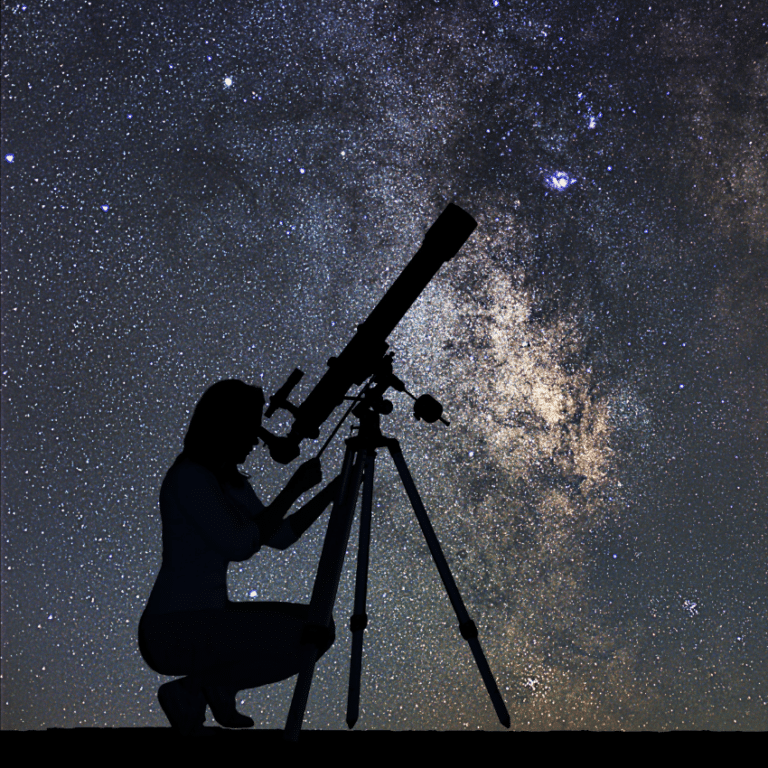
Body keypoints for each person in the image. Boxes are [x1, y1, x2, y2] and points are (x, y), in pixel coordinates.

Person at [138, 379, 340, 733]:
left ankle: (213, 686)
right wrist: (293, 488)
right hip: (172, 630)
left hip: (206, 618)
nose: (255, 440)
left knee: (319, 628)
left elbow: (279, 536)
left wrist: (330, 493)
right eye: (249, 428)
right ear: (226, 426)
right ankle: (196, 688)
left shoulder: (230, 483)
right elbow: (241, 544)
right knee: (313, 632)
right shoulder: (189, 478)